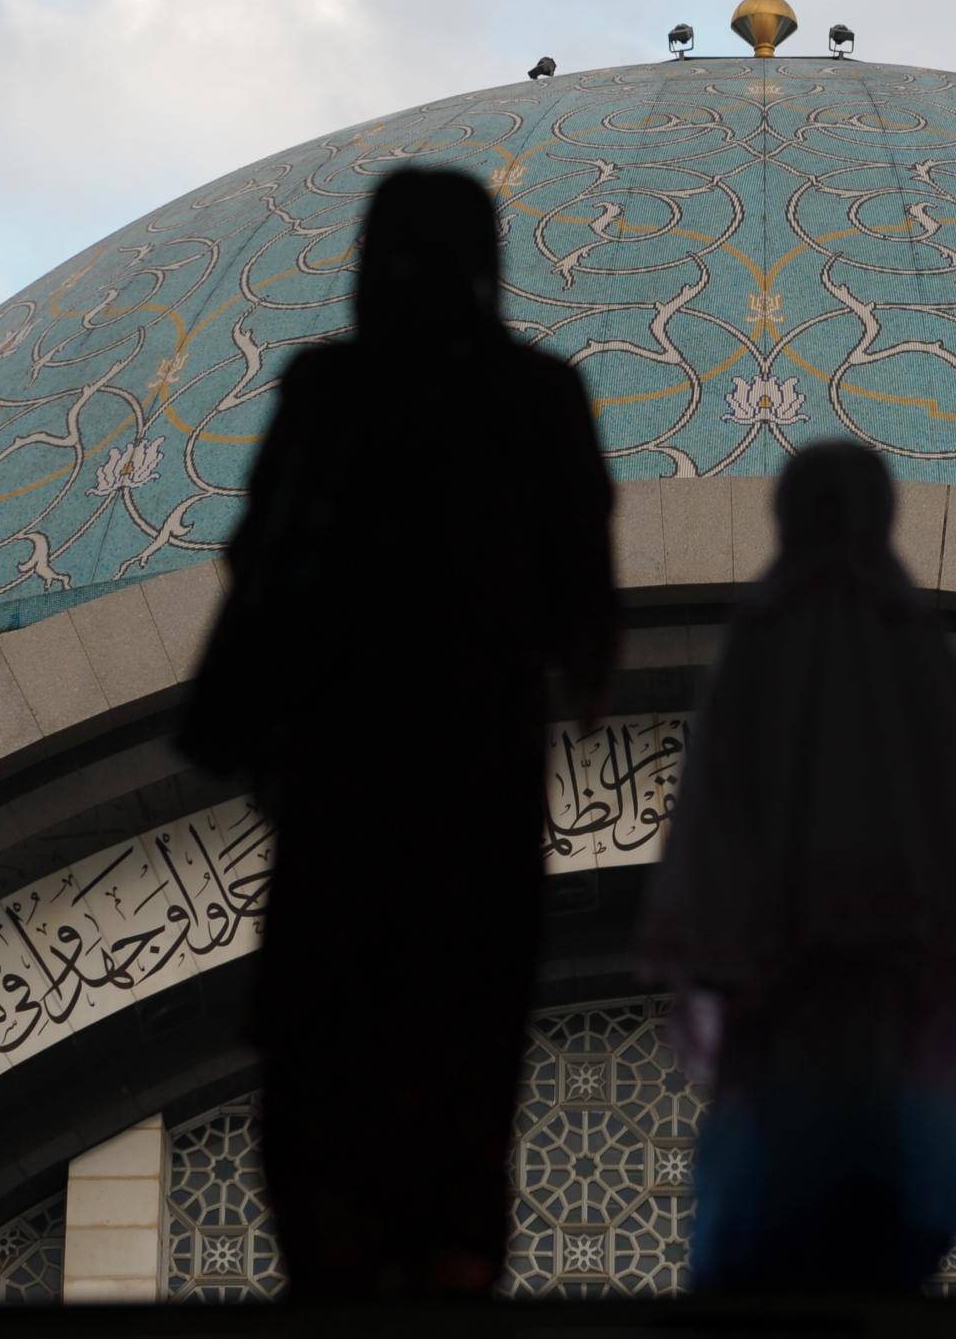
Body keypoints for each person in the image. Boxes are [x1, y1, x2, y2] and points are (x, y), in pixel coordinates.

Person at [180, 166, 618, 1300]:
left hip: (347, 780)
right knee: (459, 1044)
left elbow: (265, 561)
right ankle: (441, 1269)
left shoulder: (334, 391)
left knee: (334, 1038)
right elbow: (584, 592)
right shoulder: (537, 396)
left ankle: (347, 1273)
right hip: (473, 781)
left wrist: (231, 716)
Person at [639, 442, 956, 1297]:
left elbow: (715, 809)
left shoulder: (761, 639)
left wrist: (721, 938)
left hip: (788, 975)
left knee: (787, 1186)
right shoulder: (919, 648)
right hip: (899, 980)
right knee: (877, 1192)